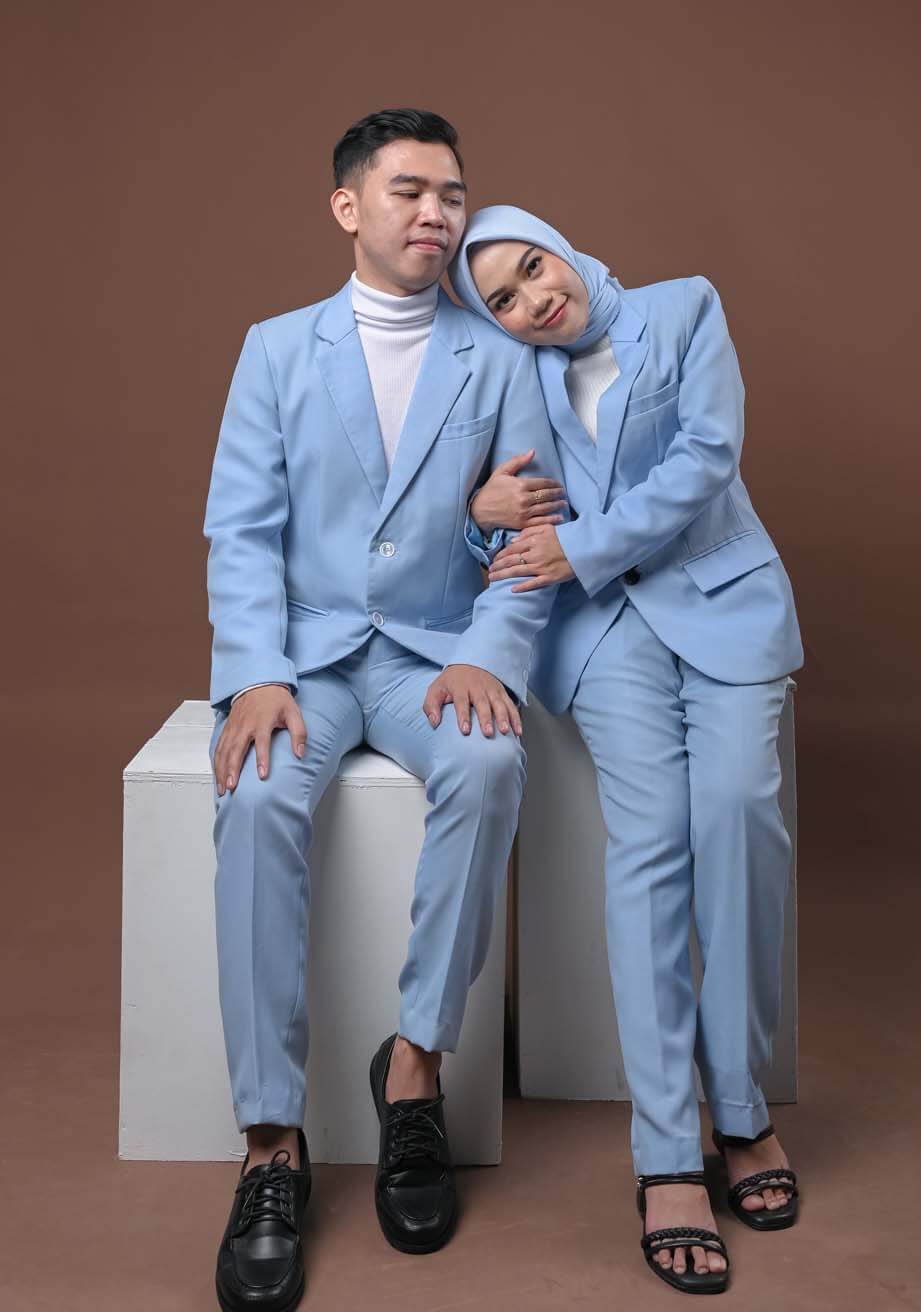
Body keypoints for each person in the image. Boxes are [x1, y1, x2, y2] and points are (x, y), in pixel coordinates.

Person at [203, 120, 561, 1311]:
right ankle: (270, 1141)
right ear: (347, 207)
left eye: (453, 193)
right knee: (255, 794)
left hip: (431, 655)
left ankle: (413, 1071)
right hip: (303, 656)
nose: (436, 213)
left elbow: (530, 530)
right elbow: (241, 528)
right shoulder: (274, 348)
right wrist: (256, 670)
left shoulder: (496, 356)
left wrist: (491, 652)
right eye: (408, 189)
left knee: (492, 766)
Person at [449, 206, 804, 1296]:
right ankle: (666, 1154)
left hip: (725, 604)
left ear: (559, 245)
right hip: (602, 636)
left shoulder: (685, 309)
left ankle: (739, 1109)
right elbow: (495, 519)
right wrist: (476, 509)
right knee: (648, 846)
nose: (532, 300)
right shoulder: (512, 376)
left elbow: (706, 457)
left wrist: (582, 544)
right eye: (502, 300)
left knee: (737, 815)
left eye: (532, 267)